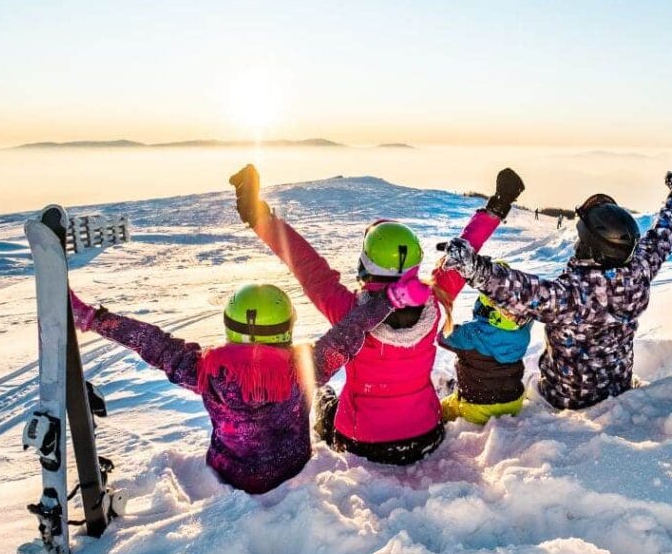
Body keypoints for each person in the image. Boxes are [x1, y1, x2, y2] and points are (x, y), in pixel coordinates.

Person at [230, 165, 525, 465]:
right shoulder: (435, 302)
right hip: (426, 434)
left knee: (325, 400)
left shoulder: (350, 314)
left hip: (362, 443)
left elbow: (307, 266)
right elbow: (465, 251)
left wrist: (259, 217)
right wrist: (498, 204)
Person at [67, 272, 432, 494]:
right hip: (292, 467)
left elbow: (152, 342)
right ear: (286, 327)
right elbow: (348, 333)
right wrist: (390, 299)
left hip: (230, 473)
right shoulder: (305, 368)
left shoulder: (205, 370)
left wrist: (94, 319)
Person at [441, 170, 672, 410]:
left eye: (581, 239)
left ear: (592, 248)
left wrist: (472, 267)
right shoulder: (639, 270)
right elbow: (663, 235)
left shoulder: (572, 295)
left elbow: (520, 291)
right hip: (618, 387)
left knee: (525, 387)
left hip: (564, 398)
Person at [438, 280, 533, 425]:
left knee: (440, 409)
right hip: (514, 403)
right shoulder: (522, 333)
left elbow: (442, 336)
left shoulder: (471, 333)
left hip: (476, 408)